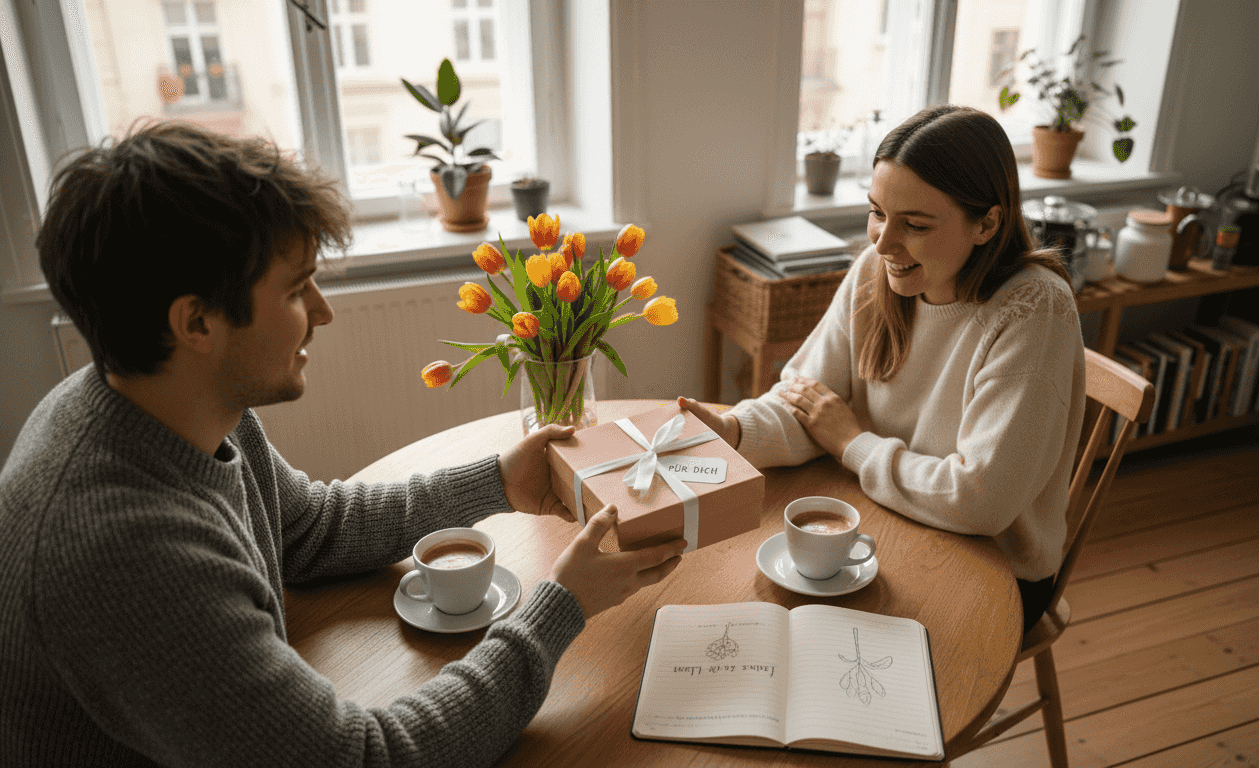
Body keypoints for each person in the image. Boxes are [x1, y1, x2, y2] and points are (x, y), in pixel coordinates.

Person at [0, 121, 685, 767]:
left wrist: (498, 482)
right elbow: (365, 758)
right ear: (197, 322)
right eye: (298, 289)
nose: (323, 311)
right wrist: (559, 606)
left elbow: (306, 529)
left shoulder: (170, 400)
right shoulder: (127, 556)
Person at [682, 105, 1085, 636]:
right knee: (738, 603)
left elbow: (979, 502)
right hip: (888, 521)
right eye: (877, 212)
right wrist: (734, 431)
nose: (883, 242)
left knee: (816, 640)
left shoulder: (1034, 311)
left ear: (987, 223)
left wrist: (852, 442)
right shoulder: (879, 272)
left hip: (996, 570)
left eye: (914, 224)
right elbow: (810, 400)